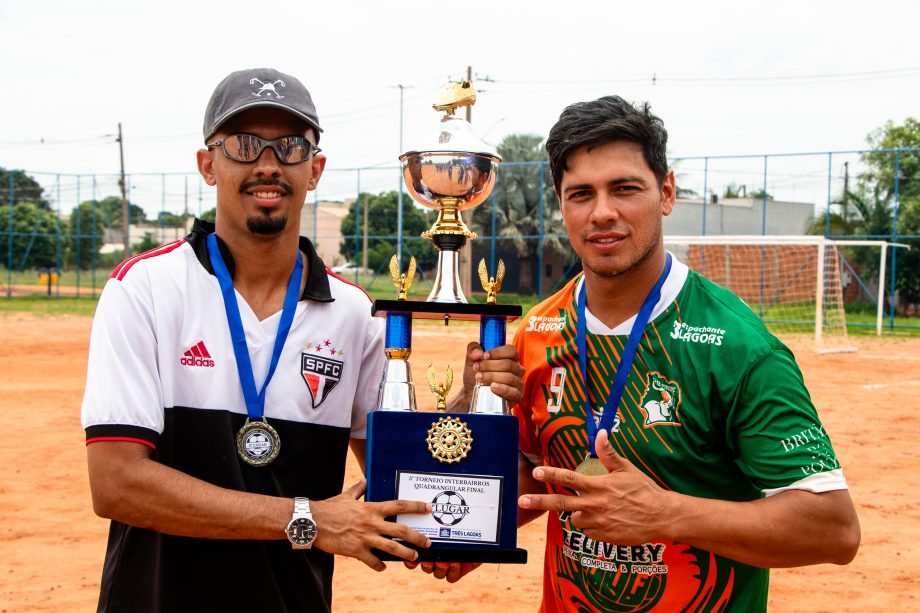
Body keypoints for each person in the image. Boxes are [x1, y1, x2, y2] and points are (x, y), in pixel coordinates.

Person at [81, 67, 523, 613]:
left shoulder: (356, 315)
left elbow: (397, 472)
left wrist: (470, 407)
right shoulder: (144, 289)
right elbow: (117, 483)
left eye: (289, 147)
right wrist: (307, 518)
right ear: (207, 165)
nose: (267, 164)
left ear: (314, 170)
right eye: (244, 145)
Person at [417, 96, 861, 610]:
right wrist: (467, 530)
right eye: (581, 194)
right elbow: (537, 469)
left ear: (666, 192)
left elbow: (833, 528)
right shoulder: (536, 329)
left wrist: (664, 514)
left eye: (625, 189)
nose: (603, 212)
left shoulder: (739, 347)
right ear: (562, 205)